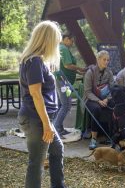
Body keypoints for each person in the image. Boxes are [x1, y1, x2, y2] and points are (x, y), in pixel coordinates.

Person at [18, 20, 66, 187]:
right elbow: (36, 95)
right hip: (36, 118)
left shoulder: (38, 61)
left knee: (57, 150)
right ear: (47, 40)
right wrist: (46, 125)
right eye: (56, 41)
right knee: (36, 162)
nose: (57, 46)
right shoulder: (35, 61)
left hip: (41, 118)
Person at [54, 32, 86, 138]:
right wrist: (79, 68)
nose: (72, 43)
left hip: (62, 80)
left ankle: (59, 128)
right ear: (66, 39)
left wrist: (78, 72)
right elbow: (67, 65)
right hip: (63, 81)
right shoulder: (63, 48)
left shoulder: (60, 48)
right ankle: (56, 129)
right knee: (66, 105)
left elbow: (66, 67)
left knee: (61, 105)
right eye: (72, 41)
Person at [83, 50, 114, 150]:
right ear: (98, 59)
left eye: (108, 60)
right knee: (96, 109)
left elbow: (112, 88)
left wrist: (107, 99)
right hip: (91, 99)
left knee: (114, 105)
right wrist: (98, 101)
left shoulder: (109, 72)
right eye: (104, 59)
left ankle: (111, 135)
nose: (106, 62)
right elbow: (87, 92)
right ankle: (94, 138)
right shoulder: (90, 72)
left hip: (105, 98)